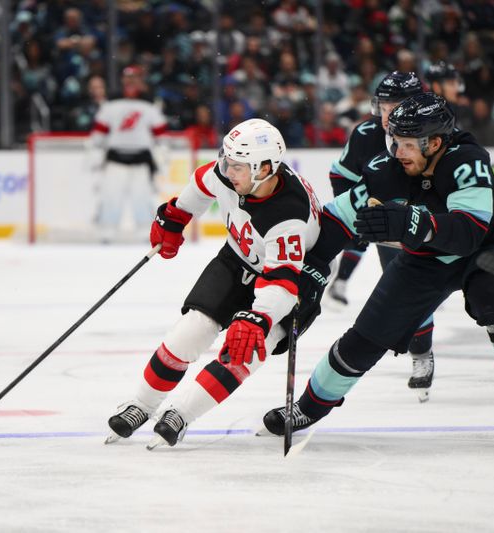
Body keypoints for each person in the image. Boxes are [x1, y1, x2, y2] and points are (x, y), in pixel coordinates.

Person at [261, 93, 494, 444]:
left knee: (491, 297)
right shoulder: (387, 170)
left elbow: (468, 233)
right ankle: (308, 408)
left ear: (435, 143)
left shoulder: (467, 160)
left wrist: (411, 223)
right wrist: (310, 271)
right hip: (428, 257)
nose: (397, 152)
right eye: (394, 142)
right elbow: (335, 220)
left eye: (406, 144)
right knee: (368, 334)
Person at [106, 118, 325, 449]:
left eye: (238, 166)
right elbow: (200, 184)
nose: (227, 170)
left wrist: (260, 316)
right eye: (227, 161)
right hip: (237, 258)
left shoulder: (288, 215)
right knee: (191, 329)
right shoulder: (230, 173)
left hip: (294, 280)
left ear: (265, 168)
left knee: (244, 352)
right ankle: (141, 404)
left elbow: (281, 278)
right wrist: (176, 215)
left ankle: (180, 414)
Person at [326, 71, 438, 400]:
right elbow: (340, 175)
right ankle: (421, 355)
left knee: (484, 294)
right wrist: (359, 212)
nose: (388, 113)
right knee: (408, 291)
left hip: (429, 225)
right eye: (384, 106)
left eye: (397, 106)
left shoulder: (433, 134)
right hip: (391, 227)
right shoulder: (365, 134)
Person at [92, 66, 169, 242]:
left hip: (141, 160)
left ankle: (144, 231)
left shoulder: (150, 105)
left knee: (142, 197)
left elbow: (161, 136)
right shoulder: (110, 105)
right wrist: (96, 154)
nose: (131, 82)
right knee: (111, 196)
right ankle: (107, 230)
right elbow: (98, 135)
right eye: (128, 78)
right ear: (122, 80)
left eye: (134, 78)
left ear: (141, 81)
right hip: (115, 159)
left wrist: (162, 156)